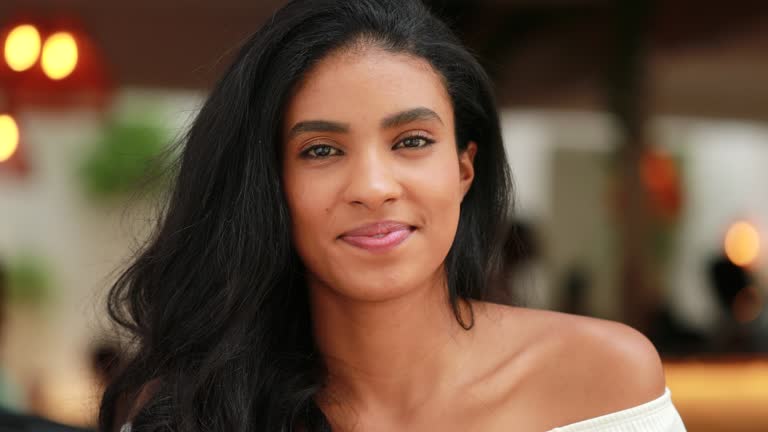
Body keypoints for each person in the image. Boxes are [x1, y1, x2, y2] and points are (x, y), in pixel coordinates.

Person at [99, 0, 686, 431]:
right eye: (321, 151)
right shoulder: (197, 415)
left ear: (463, 170)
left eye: (411, 141)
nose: (374, 188)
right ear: (268, 188)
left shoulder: (604, 381)